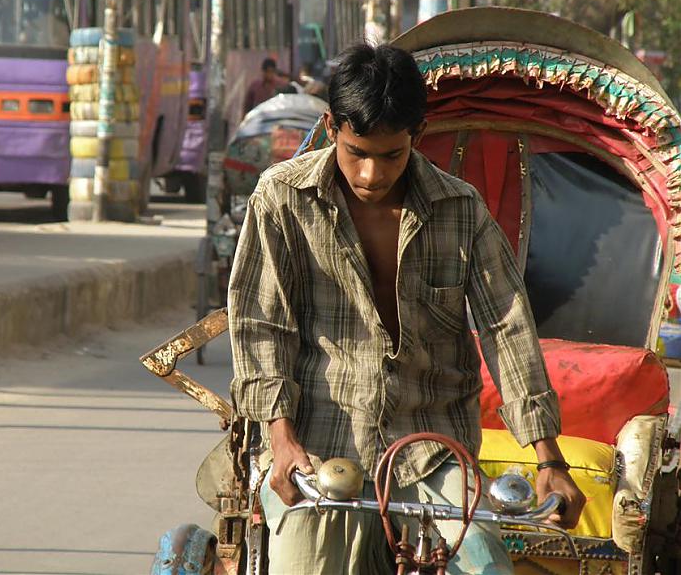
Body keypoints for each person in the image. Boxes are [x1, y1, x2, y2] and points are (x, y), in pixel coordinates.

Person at [228, 43, 586, 575]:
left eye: (390, 155)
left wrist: (548, 458)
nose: (372, 174)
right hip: (317, 448)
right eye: (357, 152)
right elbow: (261, 327)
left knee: (485, 565)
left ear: (418, 136)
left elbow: (505, 327)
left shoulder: (461, 209)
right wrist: (281, 440)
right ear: (331, 128)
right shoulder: (281, 199)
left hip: (433, 448)